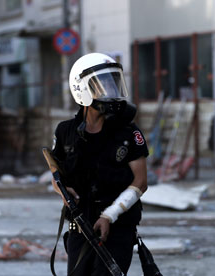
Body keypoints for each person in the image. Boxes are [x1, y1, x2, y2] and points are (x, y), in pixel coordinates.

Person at [51, 52, 148, 275]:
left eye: (113, 83)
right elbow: (56, 172)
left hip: (117, 228)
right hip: (80, 228)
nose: (110, 91)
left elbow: (141, 182)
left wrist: (109, 215)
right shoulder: (66, 132)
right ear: (81, 88)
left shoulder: (128, 132)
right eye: (102, 85)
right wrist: (63, 190)